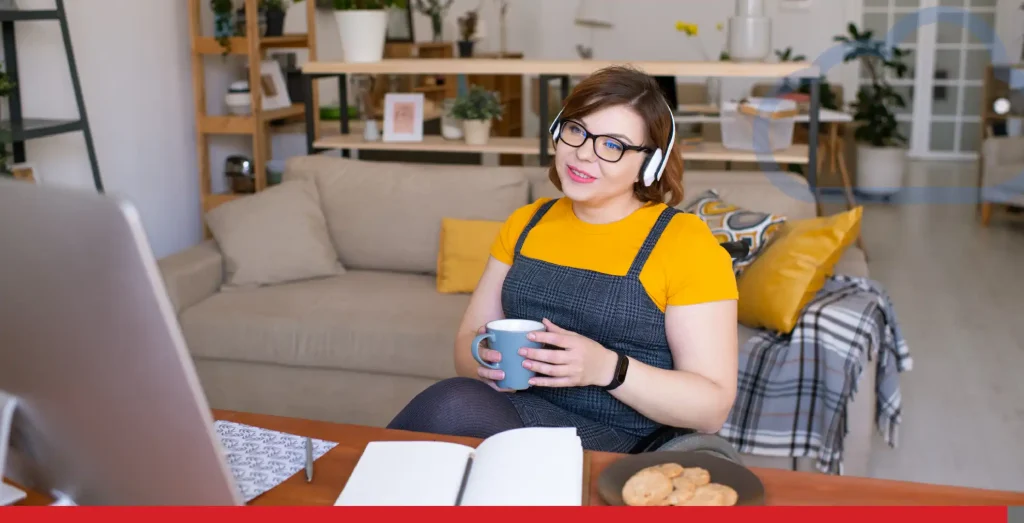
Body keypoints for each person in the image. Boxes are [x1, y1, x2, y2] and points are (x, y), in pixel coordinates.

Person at [387, 65, 739, 454]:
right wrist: (484, 358)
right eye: (577, 130)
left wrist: (607, 368)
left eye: (613, 145)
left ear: (649, 164)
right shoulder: (527, 222)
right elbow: (466, 344)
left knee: (453, 407)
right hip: (515, 412)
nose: (584, 154)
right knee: (455, 404)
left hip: (621, 439)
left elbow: (712, 409)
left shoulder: (685, 243)